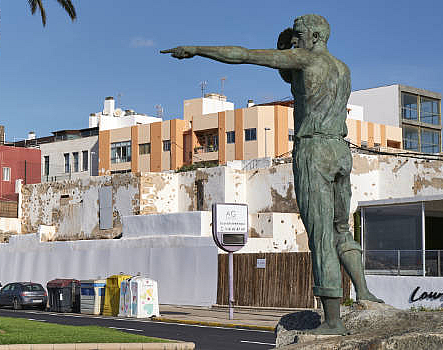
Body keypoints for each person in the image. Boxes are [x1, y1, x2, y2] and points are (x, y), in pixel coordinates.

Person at [162, 14, 381, 335]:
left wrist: (196, 49)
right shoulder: (342, 69)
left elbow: (244, 55)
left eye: (299, 35)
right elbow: (296, 82)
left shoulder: (306, 60)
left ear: (316, 36)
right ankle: (364, 292)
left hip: (314, 149)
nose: (296, 41)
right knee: (340, 229)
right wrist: (286, 49)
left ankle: (333, 321)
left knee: (320, 234)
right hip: (340, 151)